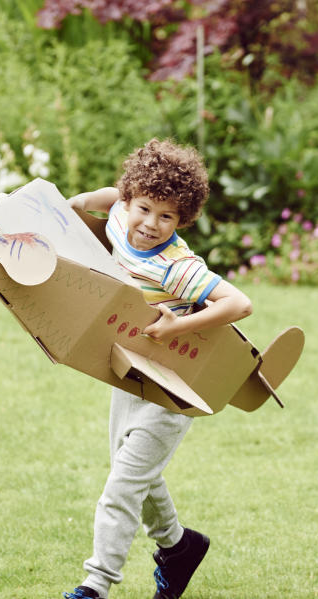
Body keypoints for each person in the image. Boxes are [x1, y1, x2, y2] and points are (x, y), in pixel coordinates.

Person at [62, 138, 253, 599]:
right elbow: (110, 198)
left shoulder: (176, 266)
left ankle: (95, 585)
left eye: (167, 216)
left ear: (182, 220)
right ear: (129, 201)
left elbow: (239, 303)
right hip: (129, 373)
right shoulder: (119, 216)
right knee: (134, 475)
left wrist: (175, 329)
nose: (150, 224)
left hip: (176, 386)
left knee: (122, 487)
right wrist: (78, 204)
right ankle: (180, 547)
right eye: (144, 208)